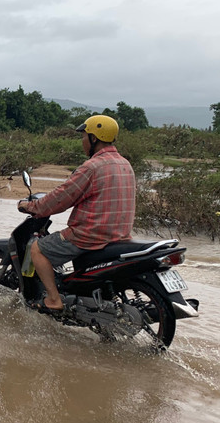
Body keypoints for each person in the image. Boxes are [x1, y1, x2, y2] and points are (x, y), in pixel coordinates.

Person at [17, 115, 135, 313]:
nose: (82, 141)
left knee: (37, 249)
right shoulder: (125, 164)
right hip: (120, 235)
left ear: (94, 138)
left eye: (84, 137)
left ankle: (53, 300)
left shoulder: (92, 167)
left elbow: (61, 198)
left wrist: (32, 206)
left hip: (89, 236)